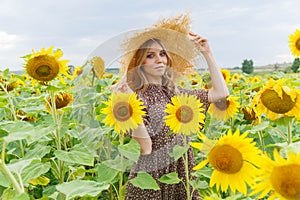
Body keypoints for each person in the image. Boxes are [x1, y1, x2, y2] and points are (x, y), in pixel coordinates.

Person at [113, 14, 229, 200]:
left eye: (162, 54)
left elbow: (221, 94)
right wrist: (129, 105)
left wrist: (207, 52)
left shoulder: (178, 94)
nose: (159, 60)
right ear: (140, 63)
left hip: (181, 175)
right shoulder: (136, 98)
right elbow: (145, 148)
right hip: (151, 181)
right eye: (150, 56)